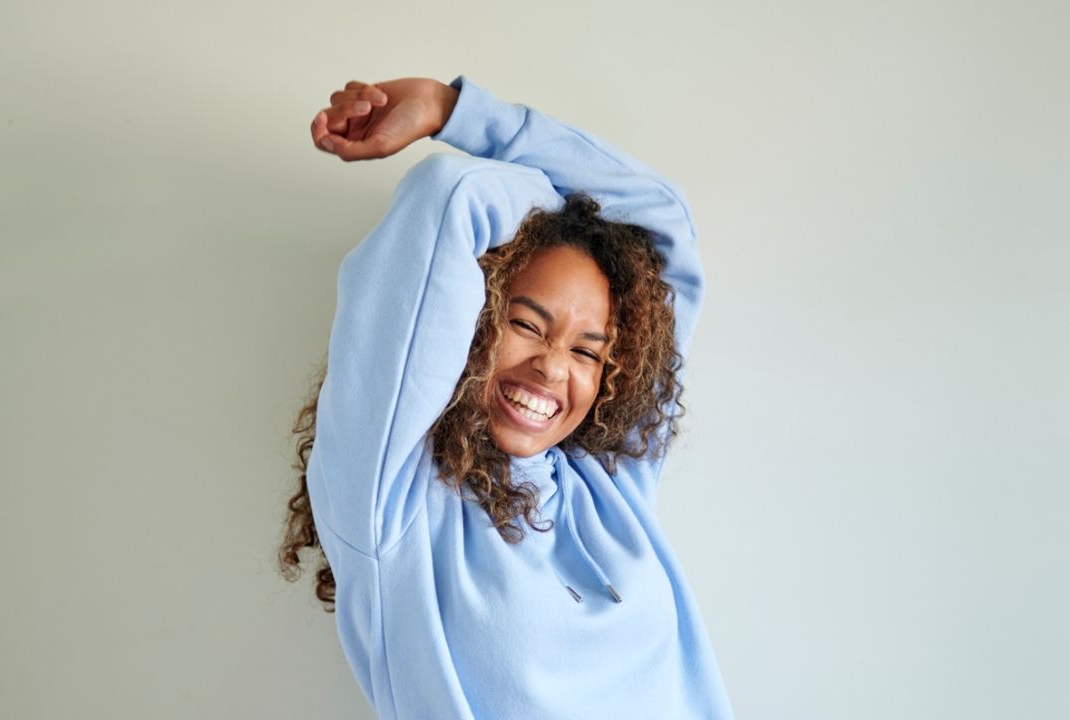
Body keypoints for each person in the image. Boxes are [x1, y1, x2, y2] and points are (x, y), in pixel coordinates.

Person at [278, 75, 734, 719]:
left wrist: (469, 118)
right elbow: (447, 199)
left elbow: (662, 220)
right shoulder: (393, 500)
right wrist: (460, 124)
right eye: (525, 324)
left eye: (586, 350)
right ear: (473, 319)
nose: (552, 368)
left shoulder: (611, 486)